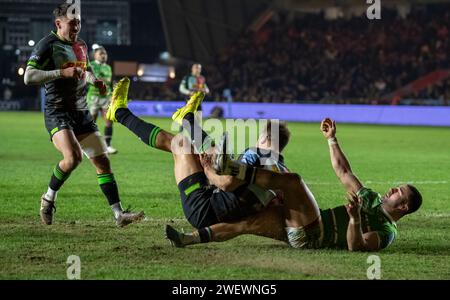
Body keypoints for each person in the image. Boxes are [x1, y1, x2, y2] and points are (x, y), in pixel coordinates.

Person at [166, 118, 423, 251]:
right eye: (396, 187)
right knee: (246, 223)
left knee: (293, 181)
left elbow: (357, 247)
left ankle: (231, 169)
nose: (391, 190)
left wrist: (355, 219)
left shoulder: (387, 232)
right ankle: (189, 239)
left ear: (403, 207)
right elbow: (344, 172)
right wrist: (332, 140)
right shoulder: (371, 199)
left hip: (314, 234)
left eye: (398, 192)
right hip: (300, 226)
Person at [106, 78, 288, 233]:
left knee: (180, 144)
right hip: (220, 208)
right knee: (214, 153)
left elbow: (227, 183)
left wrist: (209, 170)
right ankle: (187, 118)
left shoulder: (255, 154)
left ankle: (120, 113)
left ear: (264, 138)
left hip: (203, 208)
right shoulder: (282, 171)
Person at [24, 2, 144, 227]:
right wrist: (62, 72)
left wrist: (94, 81)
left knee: (103, 162)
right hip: (57, 111)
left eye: (79, 22)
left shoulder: (81, 45)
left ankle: (119, 214)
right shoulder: (46, 45)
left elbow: (86, 70)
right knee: (73, 158)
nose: (76, 26)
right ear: (58, 23)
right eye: (72, 22)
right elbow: (28, 77)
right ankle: (48, 198)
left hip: (81, 112)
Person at [86, 45, 117, 154]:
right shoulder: (91, 65)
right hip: (93, 97)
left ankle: (107, 146)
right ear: (95, 55)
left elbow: (107, 82)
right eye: (101, 54)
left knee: (109, 121)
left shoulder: (108, 67)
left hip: (106, 97)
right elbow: (95, 79)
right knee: (91, 122)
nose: (104, 56)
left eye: (105, 54)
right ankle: (89, 146)